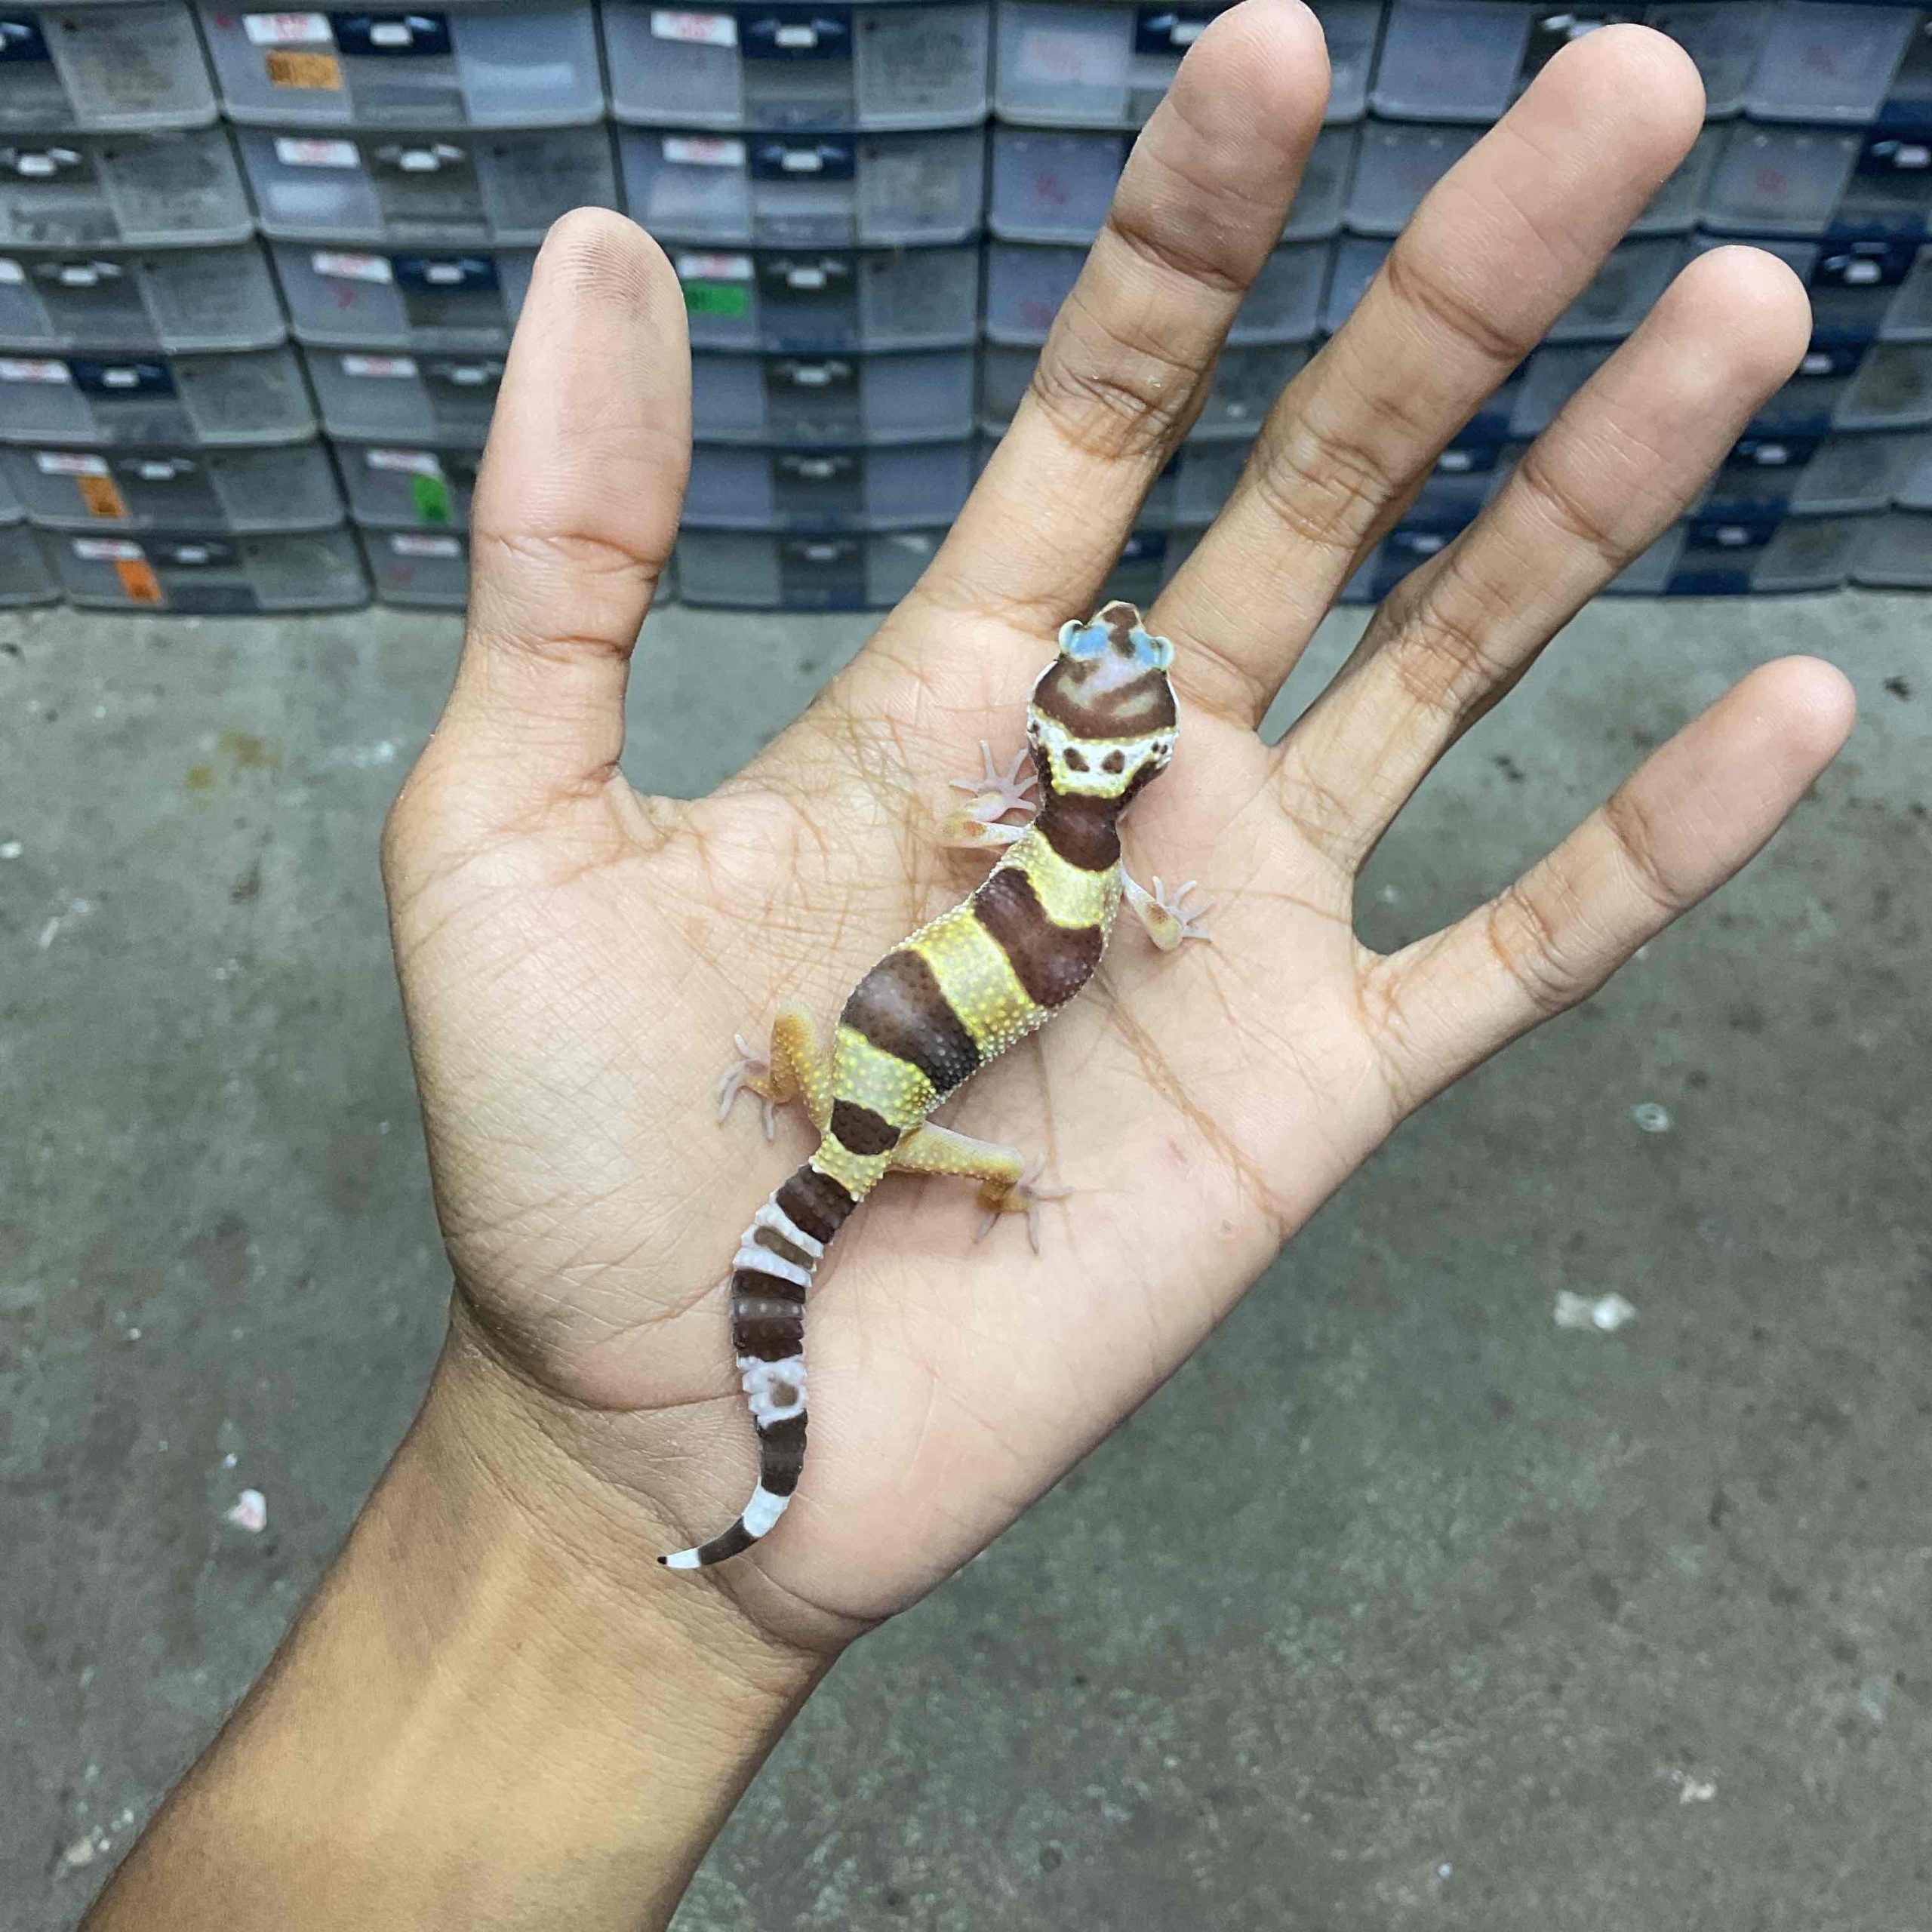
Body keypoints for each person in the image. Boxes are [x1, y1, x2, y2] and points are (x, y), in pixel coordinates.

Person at [83, 9, 1855, 1925]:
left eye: (1110, 660)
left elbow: (993, 849)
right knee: (916, 1164)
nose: (1114, 637)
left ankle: (764, 1464)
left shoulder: (1030, 848)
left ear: (1085, 749)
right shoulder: (1093, 883)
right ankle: (765, 1465)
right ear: (1119, 762)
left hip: (856, 1075)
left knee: (884, 1142)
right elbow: (1124, 916)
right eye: (1108, 653)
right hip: (882, 1100)